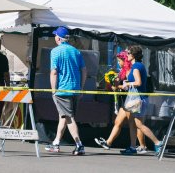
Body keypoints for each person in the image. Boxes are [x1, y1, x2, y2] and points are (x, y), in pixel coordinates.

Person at [45, 26, 86, 155]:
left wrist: (53, 90)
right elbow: (84, 70)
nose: (54, 38)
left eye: (55, 36)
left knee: (68, 117)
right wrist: (81, 87)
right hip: (75, 89)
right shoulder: (76, 51)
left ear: (58, 38)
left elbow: (54, 72)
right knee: (63, 116)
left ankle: (79, 145)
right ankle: (56, 143)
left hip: (63, 90)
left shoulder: (55, 51)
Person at [95, 50, 146, 152]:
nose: (118, 63)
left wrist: (119, 86)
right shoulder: (123, 71)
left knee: (135, 124)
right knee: (118, 121)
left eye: (120, 61)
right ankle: (108, 143)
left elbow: (129, 85)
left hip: (132, 99)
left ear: (125, 60)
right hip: (126, 100)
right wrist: (112, 82)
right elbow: (117, 84)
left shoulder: (130, 70)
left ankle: (139, 146)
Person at [120, 45, 163, 156]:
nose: (127, 55)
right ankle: (133, 147)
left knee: (139, 124)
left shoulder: (136, 67)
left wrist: (128, 83)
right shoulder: (139, 65)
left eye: (128, 53)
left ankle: (158, 142)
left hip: (137, 99)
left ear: (133, 55)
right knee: (134, 124)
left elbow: (138, 82)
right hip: (138, 98)